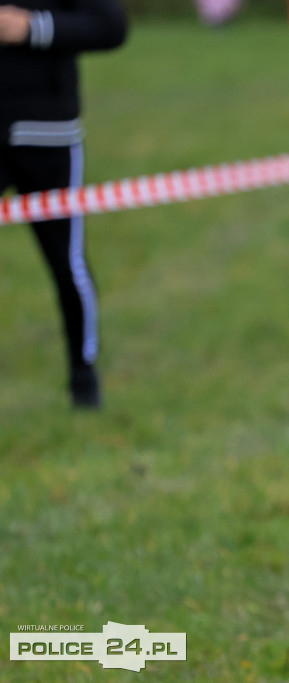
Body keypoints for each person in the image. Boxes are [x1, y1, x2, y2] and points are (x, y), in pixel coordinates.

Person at [0, 0, 128, 408]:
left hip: (49, 138)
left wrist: (32, 28)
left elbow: (111, 27)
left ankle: (83, 374)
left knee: (67, 262)